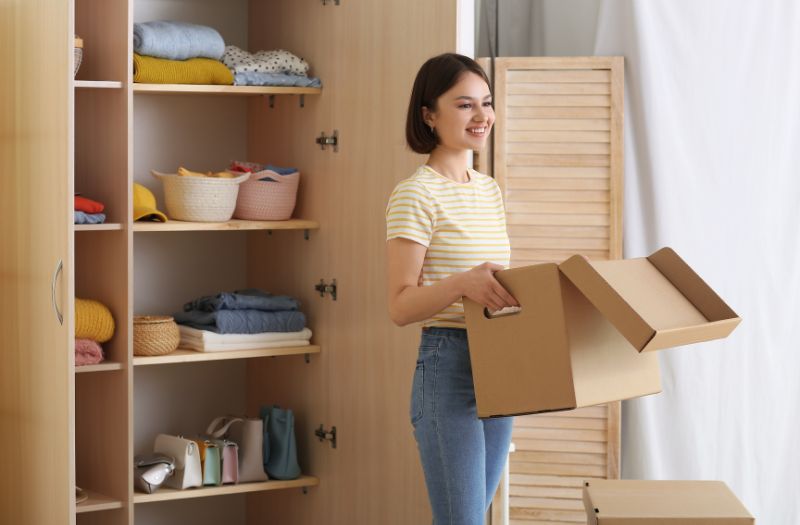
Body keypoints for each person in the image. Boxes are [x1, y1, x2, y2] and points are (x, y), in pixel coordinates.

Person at [385, 53, 519, 524]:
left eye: (486, 103)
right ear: (429, 114)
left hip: (499, 362)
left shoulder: (488, 190)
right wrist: (463, 284)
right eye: (465, 105)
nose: (482, 116)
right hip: (449, 364)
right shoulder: (415, 193)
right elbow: (400, 305)